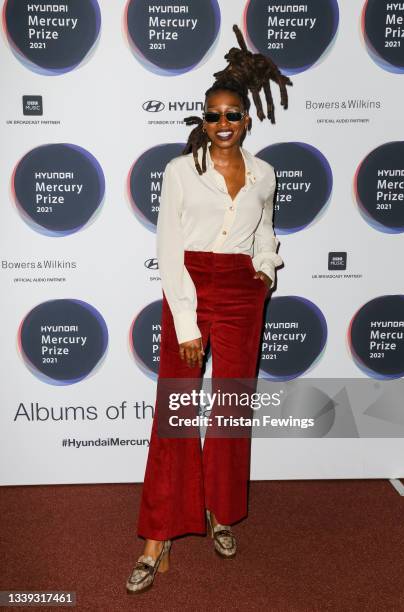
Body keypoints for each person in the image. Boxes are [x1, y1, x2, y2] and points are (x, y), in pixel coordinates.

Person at [126, 25, 292, 594]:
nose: (223, 125)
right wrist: (189, 322)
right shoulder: (179, 171)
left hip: (243, 294)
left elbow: (265, 229)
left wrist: (265, 270)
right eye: (213, 115)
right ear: (202, 119)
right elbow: (169, 250)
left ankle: (222, 513)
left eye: (233, 116)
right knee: (175, 410)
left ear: (248, 119)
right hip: (190, 289)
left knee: (229, 410)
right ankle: (158, 535)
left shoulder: (265, 173)